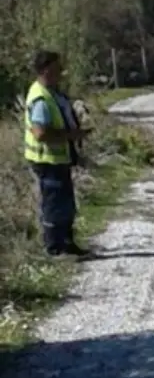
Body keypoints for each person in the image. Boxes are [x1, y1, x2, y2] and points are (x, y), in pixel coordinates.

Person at [23, 49, 86, 258]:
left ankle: (67, 243)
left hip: (59, 159)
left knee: (65, 204)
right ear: (46, 70)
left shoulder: (53, 92)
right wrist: (71, 135)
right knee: (54, 206)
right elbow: (40, 133)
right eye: (58, 68)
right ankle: (54, 247)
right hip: (47, 161)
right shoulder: (41, 98)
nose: (62, 71)